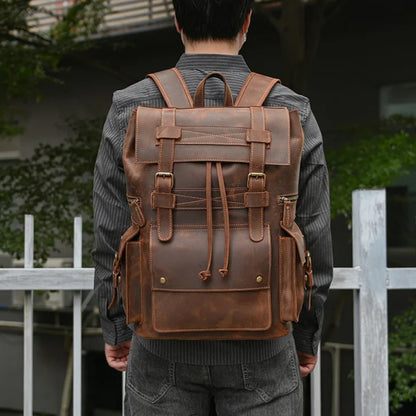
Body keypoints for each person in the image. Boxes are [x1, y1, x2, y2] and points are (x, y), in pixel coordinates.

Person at [93, 0, 333, 414]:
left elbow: (111, 227)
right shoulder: (291, 108)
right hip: (266, 345)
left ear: (176, 21)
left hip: (158, 339)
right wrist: (306, 333)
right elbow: (313, 232)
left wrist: (116, 324)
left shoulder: (131, 105)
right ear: (247, 21)